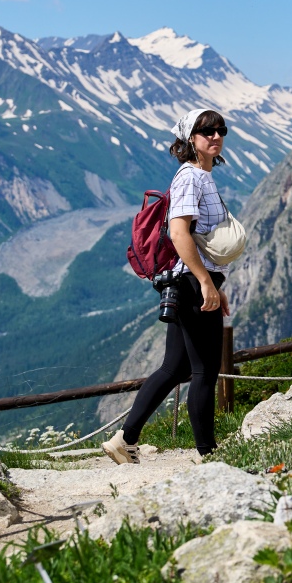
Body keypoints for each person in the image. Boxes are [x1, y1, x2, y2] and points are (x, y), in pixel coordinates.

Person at [102, 107, 232, 464]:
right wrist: (205, 281)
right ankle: (208, 455)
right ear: (190, 138)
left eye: (221, 130)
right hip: (192, 283)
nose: (216, 136)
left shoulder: (201, 175)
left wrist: (214, 284)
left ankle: (125, 440)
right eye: (207, 131)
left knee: (174, 368)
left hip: (190, 280)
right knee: (204, 371)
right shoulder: (191, 177)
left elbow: (197, 239)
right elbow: (178, 233)